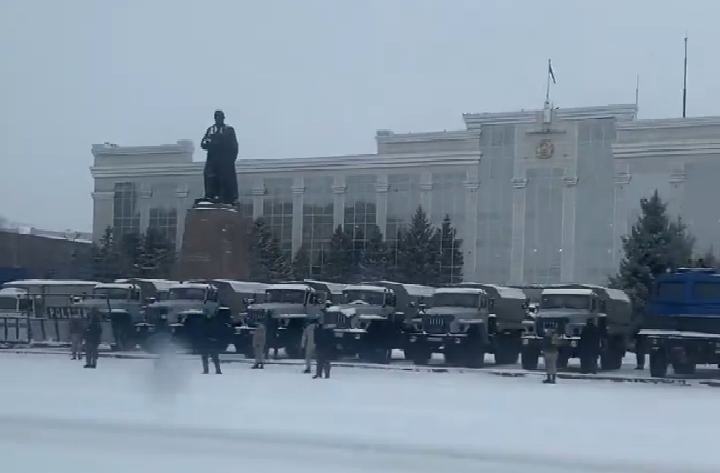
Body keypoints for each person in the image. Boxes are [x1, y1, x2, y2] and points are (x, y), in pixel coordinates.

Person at [200, 110, 239, 205]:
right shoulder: (210, 130)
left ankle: (223, 195)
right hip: (212, 159)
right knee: (210, 176)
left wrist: (230, 159)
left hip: (224, 160)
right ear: (215, 119)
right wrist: (210, 143)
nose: (219, 120)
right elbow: (203, 143)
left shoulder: (228, 130)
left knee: (223, 177)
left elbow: (234, 146)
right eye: (217, 118)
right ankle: (210, 195)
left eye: (221, 118)